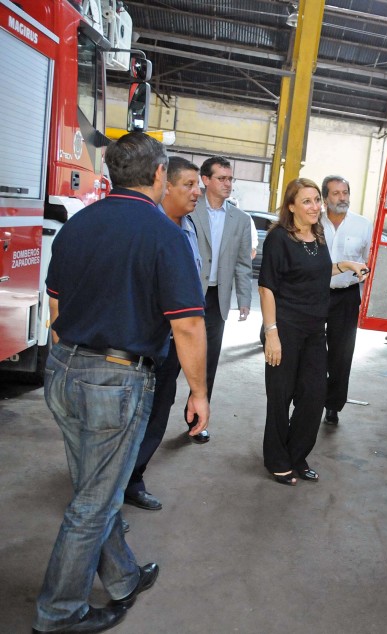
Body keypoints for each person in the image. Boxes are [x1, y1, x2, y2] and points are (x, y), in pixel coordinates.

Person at [33, 132, 208, 634]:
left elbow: (58, 305)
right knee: (93, 503)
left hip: (63, 369)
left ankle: (122, 577)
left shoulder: (79, 224)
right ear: (158, 176)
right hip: (113, 380)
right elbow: (188, 324)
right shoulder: (163, 234)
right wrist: (198, 393)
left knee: (96, 486)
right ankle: (58, 614)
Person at [258, 178, 367, 485]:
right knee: (280, 396)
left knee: (314, 396)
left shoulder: (317, 235)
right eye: (307, 201)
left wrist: (345, 265)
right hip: (286, 329)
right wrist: (272, 334)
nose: (315, 206)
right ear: (291, 206)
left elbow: (319, 271)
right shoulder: (278, 238)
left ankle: (296, 455)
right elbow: (267, 288)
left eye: (317, 200)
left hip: (315, 331)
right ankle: (277, 459)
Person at [123, 157, 203, 512]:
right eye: (188, 185)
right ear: (164, 185)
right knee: (127, 419)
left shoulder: (189, 229)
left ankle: (133, 478)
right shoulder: (146, 229)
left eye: (197, 185)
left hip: (171, 345)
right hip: (141, 344)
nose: (196, 192)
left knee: (158, 412)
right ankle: (111, 488)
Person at [186, 156, 253, 443]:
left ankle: (197, 420)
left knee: (207, 361)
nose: (228, 184)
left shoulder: (240, 219)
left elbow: (242, 263)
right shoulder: (189, 208)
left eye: (230, 179)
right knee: (172, 360)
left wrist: (244, 298)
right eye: (222, 178)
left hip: (216, 298)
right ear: (206, 180)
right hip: (186, 294)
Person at [320, 175, 372, 426]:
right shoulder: (313, 222)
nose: (343, 198)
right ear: (325, 197)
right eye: (336, 193)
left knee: (341, 354)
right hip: (315, 295)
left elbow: (370, 261)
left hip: (346, 296)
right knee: (312, 350)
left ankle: (333, 405)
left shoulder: (363, 225)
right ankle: (308, 398)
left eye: (345, 192)